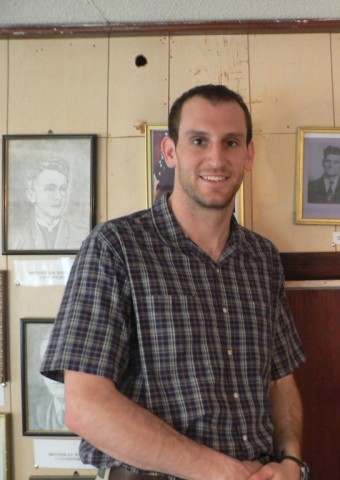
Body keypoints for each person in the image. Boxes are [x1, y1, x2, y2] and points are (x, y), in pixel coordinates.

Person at [40, 84, 308, 480]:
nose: (216, 158)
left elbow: (280, 380)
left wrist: (291, 461)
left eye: (231, 142)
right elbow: (86, 406)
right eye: (199, 140)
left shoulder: (262, 258)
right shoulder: (115, 248)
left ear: (248, 155)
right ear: (169, 151)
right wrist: (219, 472)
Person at [9, 157, 89, 250]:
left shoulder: (83, 235)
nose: (58, 196)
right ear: (31, 195)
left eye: (62, 189)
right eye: (50, 189)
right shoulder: (16, 238)